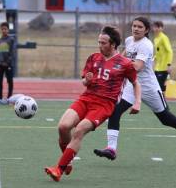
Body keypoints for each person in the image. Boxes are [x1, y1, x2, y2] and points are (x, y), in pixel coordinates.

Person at [94, 17, 176, 161]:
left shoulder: (146, 45)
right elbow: (123, 56)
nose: (136, 29)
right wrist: (111, 62)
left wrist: (118, 65)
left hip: (149, 87)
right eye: (134, 26)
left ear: (146, 30)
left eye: (140, 27)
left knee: (165, 118)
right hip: (132, 85)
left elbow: (137, 67)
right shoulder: (129, 40)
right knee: (115, 111)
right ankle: (111, 149)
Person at [44, 26, 141, 182]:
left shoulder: (125, 64)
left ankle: (59, 169)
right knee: (63, 127)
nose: (100, 45)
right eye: (99, 42)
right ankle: (67, 161)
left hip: (104, 105)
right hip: (86, 98)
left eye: (103, 43)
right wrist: (86, 80)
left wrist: (137, 102)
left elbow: (136, 83)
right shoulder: (93, 58)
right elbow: (84, 81)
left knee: (79, 130)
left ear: (113, 44)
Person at [0, 22, 15, 105]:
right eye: (2, 29)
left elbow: (12, 53)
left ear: (8, 30)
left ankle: (9, 99)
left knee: (10, 81)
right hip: (0, 65)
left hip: (8, 65)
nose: (4, 30)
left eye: (5, 29)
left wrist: (7, 62)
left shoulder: (11, 40)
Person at [152, 21, 173, 94]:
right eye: (155, 27)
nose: (157, 29)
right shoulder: (155, 39)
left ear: (162, 28)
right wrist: (154, 58)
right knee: (157, 87)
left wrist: (169, 65)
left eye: (159, 27)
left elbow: (169, 51)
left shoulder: (164, 38)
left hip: (164, 67)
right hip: (157, 67)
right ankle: (161, 102)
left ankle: (163, 103)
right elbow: (158, 52)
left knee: (161, 87)